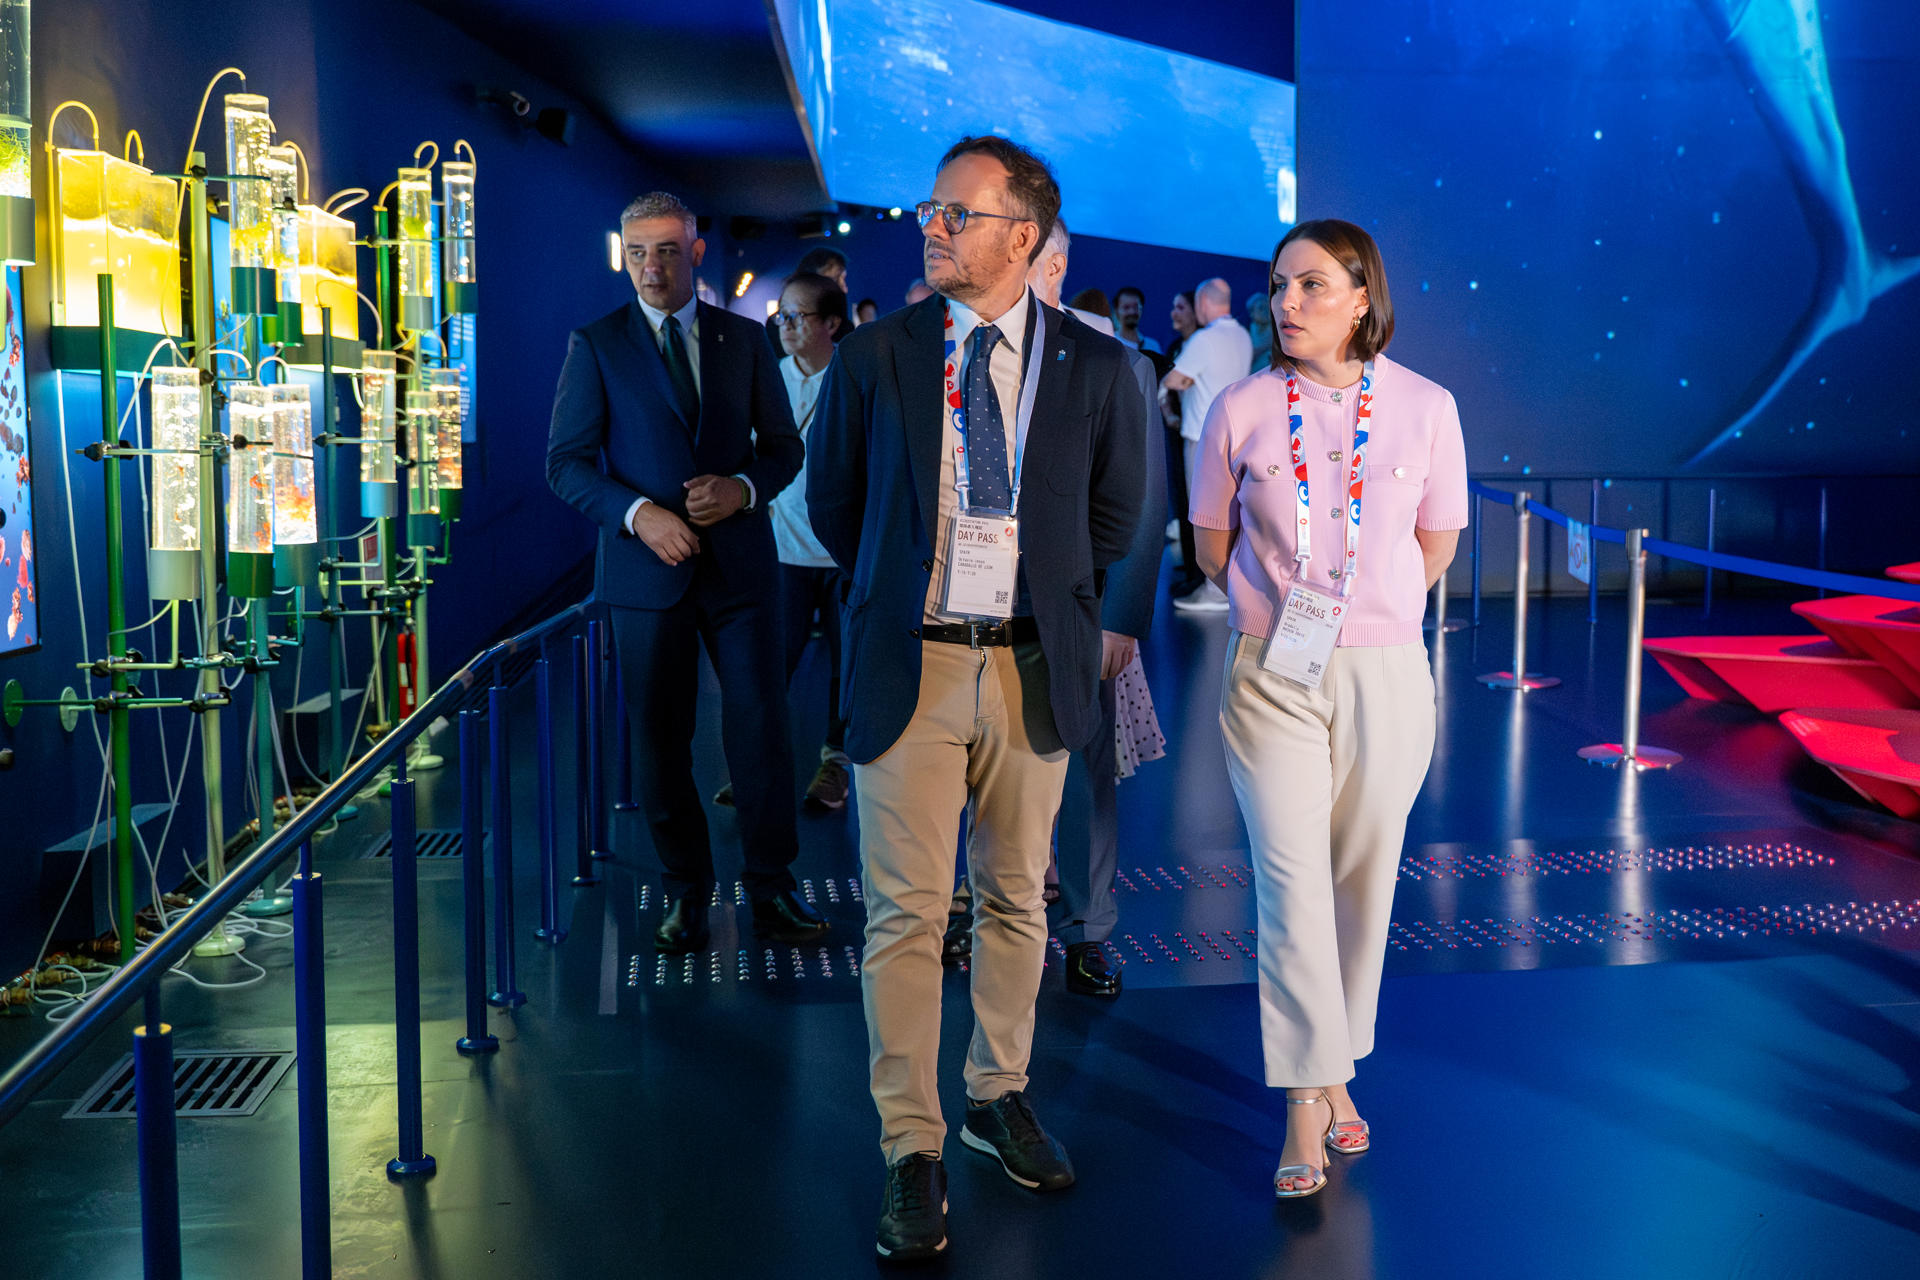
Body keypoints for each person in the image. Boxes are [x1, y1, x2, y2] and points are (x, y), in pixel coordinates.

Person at [808, 136, 1145, 1262]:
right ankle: (913, 1142)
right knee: (906, 913)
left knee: (1016, 897)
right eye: (931, 209)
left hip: (1032, 664)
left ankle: (999, 1091)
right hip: (914, 658)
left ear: (1022, 236)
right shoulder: (877, 356)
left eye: (957, 212)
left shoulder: (1095, 366)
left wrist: (1058, 610)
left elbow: (1115, 517)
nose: (933, 226)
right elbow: (839, 507)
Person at [1188, 219, 1466, 1200]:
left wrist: (1369, 612)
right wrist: (1283, 611)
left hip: (1385, 668)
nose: (1287, 303)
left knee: (1361, 878)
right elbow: (1210, 535)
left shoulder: (1429, 406)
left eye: (1310, 285)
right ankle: (1308, 1094)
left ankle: (1338, 1065)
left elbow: (1437, 541)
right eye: (1279, 285)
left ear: (1362, 296)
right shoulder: (1242, 405)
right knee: (1291, 876)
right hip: (1273, 666)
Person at [546, 191, 830, 956]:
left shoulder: (744, 341)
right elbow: (566, 466)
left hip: (740, 569)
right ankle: (687, 893)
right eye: (637, 252)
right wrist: (642, 514)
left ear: (695, 252)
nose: (651, 266)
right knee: (660, 739)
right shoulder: (596, 343)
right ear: (623, 256)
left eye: (666, 250)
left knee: (762, 729)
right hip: (645, 575)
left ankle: (773, 888)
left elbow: (782, 448)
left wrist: (741, 489)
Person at [1025, 219, 1167, 998]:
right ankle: (977, 912)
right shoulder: (962, 350)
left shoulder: (1116, 363)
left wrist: (1121, 616)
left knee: (1086, 773)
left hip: (1083, 605)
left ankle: (1086, 931)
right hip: (973, 604)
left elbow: (1144, 502)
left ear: (1053, 264)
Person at [717, 273, 855, 811]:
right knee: (773, 661)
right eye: (782, 316)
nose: (786, 326)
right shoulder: (768, 376)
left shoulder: (853, 375)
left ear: (831, 324)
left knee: (848, 665)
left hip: (844, 551)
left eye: (798, 317)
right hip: (782, 549)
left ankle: (835, 768)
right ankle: (758, 770)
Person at [1166, 277, 1252, 613]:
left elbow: (1174, 379)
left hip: (1201, 436)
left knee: (1203, 515)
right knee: (1230, 515)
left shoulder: (1204, 339)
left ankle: (1213, 590)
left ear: (1203, 304)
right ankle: (1224, 587)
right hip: (1235, 437)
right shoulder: (1242, 336)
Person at [1112, 286, 1162, 354]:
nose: (1132, 312)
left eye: (1136, 307)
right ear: (1116, 311)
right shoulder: (1111, 344)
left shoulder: (1153, 346)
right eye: (1126, 307)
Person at [1246, 289, 1274, 372]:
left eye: (1267, 307)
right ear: (1252, 313)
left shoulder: (1278, 331)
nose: (1266, 311)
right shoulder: (1246, 332)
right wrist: (1265, 345)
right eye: (1261, 308)